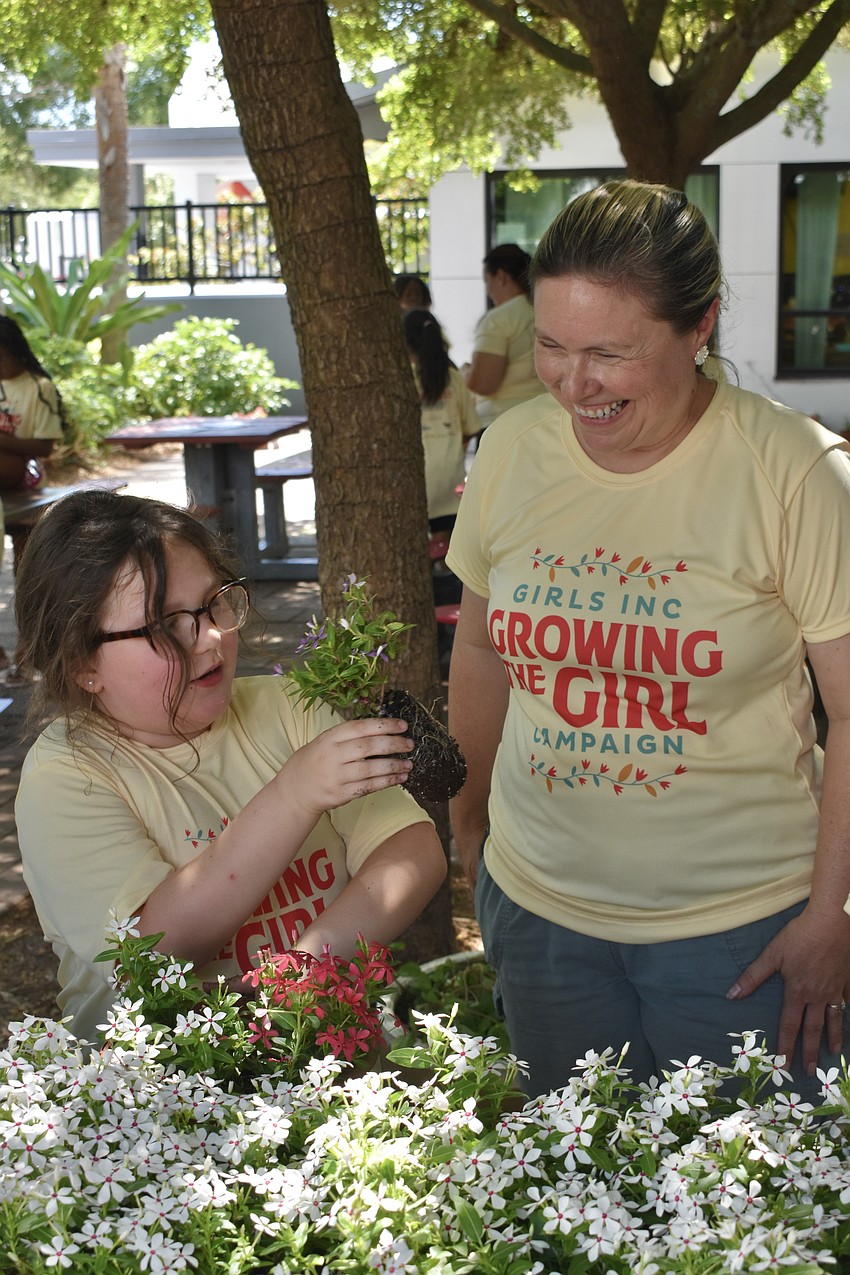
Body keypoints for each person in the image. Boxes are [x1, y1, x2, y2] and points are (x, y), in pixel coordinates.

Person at [446, 179, 850, 1100]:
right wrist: (470, 824)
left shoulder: (795, 471)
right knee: (576, 1201)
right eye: (550, 344)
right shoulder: (511, 450)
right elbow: (478, 648)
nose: (571, 382)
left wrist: (834, 913)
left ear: (699, 326)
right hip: (541, 917)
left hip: (745, 935)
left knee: (748, 1218)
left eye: (608, 353)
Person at [14, 490, 447, 1044]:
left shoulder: (287, 705)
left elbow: (411, 848)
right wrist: (294, 795)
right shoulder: (68, 778)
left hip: (328, 1044)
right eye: (164, 625)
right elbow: (152, 952)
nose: (212, 635)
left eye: (214, 602)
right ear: (82, 664)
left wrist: (298, 977)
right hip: (167, 1093)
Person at [0, 315, 67, 673]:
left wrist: (5, 442)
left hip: (23, 476)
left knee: (27, 568)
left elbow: (43, 447)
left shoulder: (38, 387)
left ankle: (30, 646)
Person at [402, 307, 477, 535]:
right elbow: (471, 426)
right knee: (445, 547)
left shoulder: (401, 379)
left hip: (413, 482)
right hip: (449, 483)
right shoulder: (453, 378)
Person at [462, 243, 545, 440]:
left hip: (502, 424)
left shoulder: (498, 319)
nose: (488, 290)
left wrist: (465, 373)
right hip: (546, 417)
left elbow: (483, 384)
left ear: (501, 276)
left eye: (487, 281)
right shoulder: (544, 311)